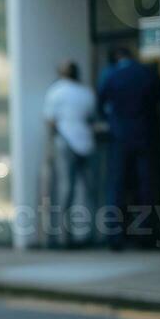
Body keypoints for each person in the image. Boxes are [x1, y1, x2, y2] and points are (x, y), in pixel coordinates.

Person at [97, 46, 160, 249]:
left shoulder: (111, 75)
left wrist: (111, 120)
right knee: (145, 185)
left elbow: (101, 103)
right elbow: (157, 100)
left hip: (119, 136)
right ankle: (145, 235)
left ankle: (115, 236)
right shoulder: (146, 73)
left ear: (116, 57)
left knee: (116, 185)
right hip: (144, 134)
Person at [42, 60, 96, 247]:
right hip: (86, 143)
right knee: (89, 190)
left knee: (65, 189)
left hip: (65, 142)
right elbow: (90, 118)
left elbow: (50, 122)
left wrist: (49, 150)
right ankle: (91, 235)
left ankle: (63, 238)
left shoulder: (56, 91)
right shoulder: (86, 92)